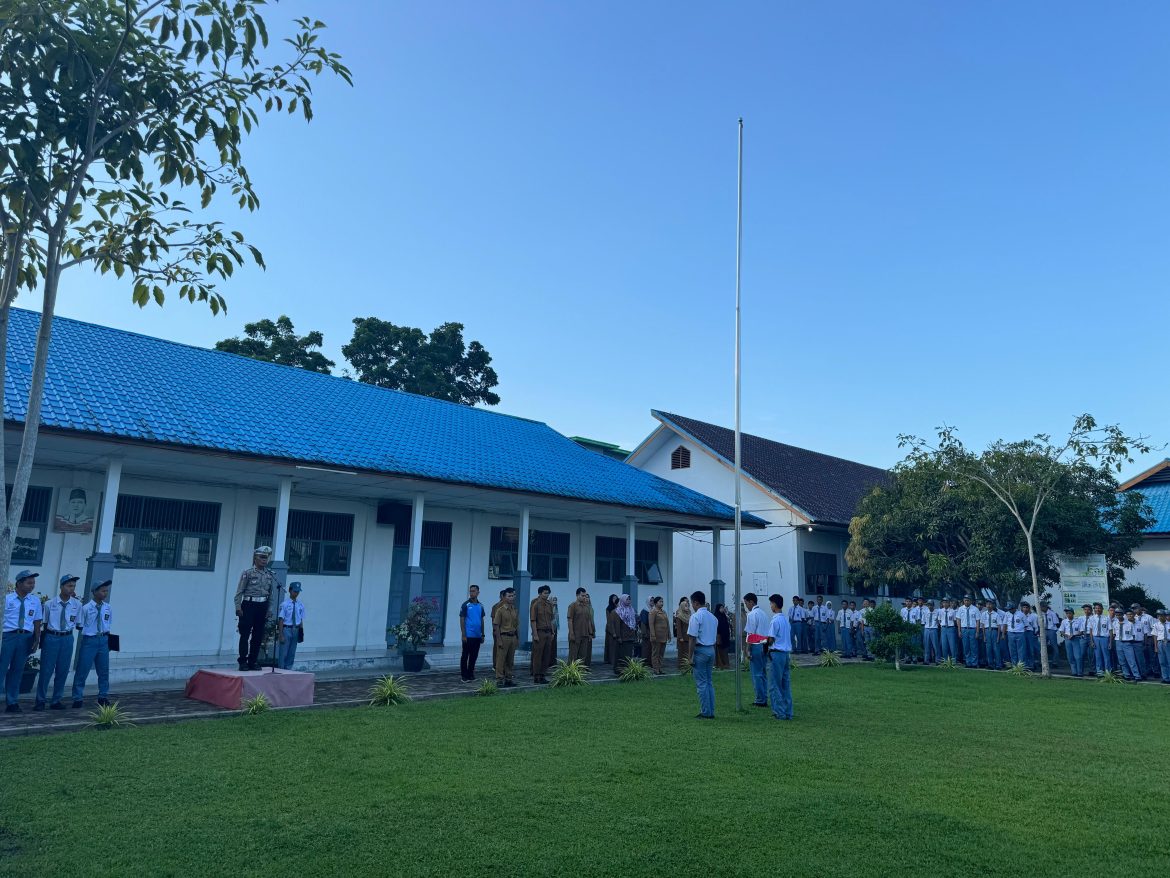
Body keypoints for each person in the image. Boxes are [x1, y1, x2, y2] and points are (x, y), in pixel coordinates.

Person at [35, 574, 81, 710]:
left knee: (63, 670)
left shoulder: (77, 604)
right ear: (61, 587)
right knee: (46, 670)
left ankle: (56, 700)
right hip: (52, 637)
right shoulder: (50, 604)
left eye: (73, 586)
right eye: (68, 586)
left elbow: (78, 623)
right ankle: (40, 700)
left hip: (67, 637)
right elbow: (44, 622)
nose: (71, 589)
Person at [2, 570, 43, 713]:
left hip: (25, 637)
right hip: (8, 636)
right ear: (19, 583)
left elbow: (37, 621)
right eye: (29, 583)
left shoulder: (35, 601)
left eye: (33, 583)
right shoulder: (7, 599)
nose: (32, 586)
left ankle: (12, 702)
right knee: (1, 669)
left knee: (17, 670)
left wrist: (37, 639)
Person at [234, 545, 277, 671]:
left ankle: (253, 661)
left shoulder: (269, 575)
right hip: (248, 605)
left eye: (266, 557)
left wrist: (269, 609)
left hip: (262, 606)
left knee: (258, 636)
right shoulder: (248, 573)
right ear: (255, 558)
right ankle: (243, 661)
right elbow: (239, 592)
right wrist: (238, 607)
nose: (264, 560)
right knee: (245, 634)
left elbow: (271, 595)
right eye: (262, 557)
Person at [72, 579, 113, 708]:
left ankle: (103, 695)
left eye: (106, 591)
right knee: (82, 669)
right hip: (90, 640)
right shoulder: (85, 608)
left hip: (103, 639)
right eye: (102, 590)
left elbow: (108, 624)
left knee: (103, 670)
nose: (104, 593)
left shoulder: (108, 608)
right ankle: (77, 697)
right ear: (94, 592)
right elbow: (80, 625)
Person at [687, 590, 717, 719]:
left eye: (692, 603)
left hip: (700, 650)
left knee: (701, 683)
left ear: (695, 602)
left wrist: (690, 656)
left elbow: (692, 638)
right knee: (709, 682)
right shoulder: (713, 617)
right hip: (711, 649)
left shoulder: (696, 617)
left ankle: (706, 711)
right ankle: (710, 710)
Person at [766, 594, 793, 721]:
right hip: (786, 654)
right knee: (785, 684)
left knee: (774, 685)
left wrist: (764, 643)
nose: (770, 606)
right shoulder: (785, 620)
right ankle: (788, 712)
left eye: (771, 603)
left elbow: (771, 639)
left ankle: (779, 712)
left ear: (775, 605)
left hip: (776, 653)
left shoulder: (775, 620)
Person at [743, 593, 768, 706]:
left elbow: (751, 633)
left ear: (751, 602)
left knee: (756, 673)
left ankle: (760, 699)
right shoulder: (764, 613)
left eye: (746, 603)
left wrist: (747, 650)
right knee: (762, 673)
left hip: (756, 644)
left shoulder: (752, 614)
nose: (746, 605)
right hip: (765, 643)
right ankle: (764, 697)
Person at [458, 584, 486, 682]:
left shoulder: (480, 606)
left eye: (474, 591)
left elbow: (482, 620)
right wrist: (464, 634)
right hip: (468, 635)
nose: (471, 593)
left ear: (478, 592)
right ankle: (464, 675)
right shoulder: (465, 605)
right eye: (470, 591)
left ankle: (470, 674)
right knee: (465, 655)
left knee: (474, 656)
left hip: (477, 636)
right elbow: (462, 619)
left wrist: (482, 634)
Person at [492, 587, 519, 687]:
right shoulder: (500, 610)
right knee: (501, 659)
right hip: (504, 637)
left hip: (512, 637)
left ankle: (508, 679)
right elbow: (496, 626)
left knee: (510, 660)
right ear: (504, 597)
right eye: (509, 596)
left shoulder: (514, 610)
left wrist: (517, 638)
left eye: (513, 596)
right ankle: (499, 679)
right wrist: (498, 640)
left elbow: (516, 625)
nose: (511, 598)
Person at [276, 582, 305, 670]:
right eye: (294, 591)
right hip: (286, 629)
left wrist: (301, 632)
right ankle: (281, 670)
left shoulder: (300, 605)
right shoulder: (284, 604)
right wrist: (281, 634)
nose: (296, 593)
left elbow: (300, 619)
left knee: (292, 653)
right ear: (290, 590)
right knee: (283, 652)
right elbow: (281, 619)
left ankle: (288, 670)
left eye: (298, 591)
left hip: (296, 629)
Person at [529, 585, 555, 684]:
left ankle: (543, 674)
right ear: (540, 594)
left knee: (546, 655)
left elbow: (551, 619)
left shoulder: (549, 604)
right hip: (539, 632)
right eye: (545, 593)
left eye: (548, 593)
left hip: (548, 632)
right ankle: (536, 675)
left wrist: (552, 632)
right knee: (538, 655)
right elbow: (533, 620)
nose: (547, 595)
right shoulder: (535, 604)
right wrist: (535, 634)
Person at [608, 594, 637, 675]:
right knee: (620, 655)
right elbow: (616, 625)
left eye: (629, 599)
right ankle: (619, 670)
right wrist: (618, 636)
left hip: (630, 636)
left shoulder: (631, 610)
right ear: (622, 600)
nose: (629, 601)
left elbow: (634, 623)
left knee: (628, 655)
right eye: (627, 599)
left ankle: (627, 669)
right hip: (622, 637)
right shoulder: (617, 611)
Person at [567, 588, 595, 665]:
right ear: (577, 595)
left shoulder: (586, 607)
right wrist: (571, 633)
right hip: (576, 635)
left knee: (582, 657)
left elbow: (588, 621)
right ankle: (571, 674)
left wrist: (590, 633)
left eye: (585, 596)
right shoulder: (572, 606)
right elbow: (570, 620)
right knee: (573, 656)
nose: (584, 597)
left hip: (585, 635)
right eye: (582, 595)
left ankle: (580, 674)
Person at [1058, 606, 1086, 678]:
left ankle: (1080, 672)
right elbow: (1061, 630)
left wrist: (1074, 634)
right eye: (1067, 613)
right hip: (1068, 639)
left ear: (1073, 613)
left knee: (1078, 656)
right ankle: (1074, 671)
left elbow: (1082, 631)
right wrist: (1065, 635)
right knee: (1070, 656)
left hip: (1076, 639)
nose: (1068, 615)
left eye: (1070, 613)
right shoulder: (1064, 621)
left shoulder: (1078, 621)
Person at [1114, 609, 1141, 681]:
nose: (1118, 616)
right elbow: (1114, 633)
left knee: (1131, 660)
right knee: (1121, 660)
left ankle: (1137, 676)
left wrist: (1130, 642)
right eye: (1117, 615)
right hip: (1118, 642)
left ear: (1123, 615)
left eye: (1120, 614)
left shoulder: (1129, 624)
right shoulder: (1115, 623)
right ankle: (1126, 675)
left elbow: (1134, 634)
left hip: (1127, 643)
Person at [648, 596, 671, 675]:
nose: (662, 603)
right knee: (655, 653)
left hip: (663, 636)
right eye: (660, 602)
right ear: (656, 603)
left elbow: (667, 624)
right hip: (656, 636)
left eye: (662, 601)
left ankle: (660, 668)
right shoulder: (653, 611)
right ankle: (655, 669)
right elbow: (651, 624)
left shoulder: (663, 612)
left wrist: (669, 634)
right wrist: (653, 635)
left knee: (661, 654)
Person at [1087, 602, 1111, 677]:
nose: (1098, 609)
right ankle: (1099, 672)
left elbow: (1110, 630)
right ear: (1094, 609)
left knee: (1106, 656)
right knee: (1097, 656)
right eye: (1096, 608)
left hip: (1104, 638)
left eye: (1099, 608)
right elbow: (1090, 630)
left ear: (1102, 609)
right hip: (1095, 638)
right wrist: (1091, 641)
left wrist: (1110, 642)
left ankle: (1108, 672)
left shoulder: (1106, 618)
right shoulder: (1091, 618)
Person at [957, 596, 979, 668]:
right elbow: (958, 620)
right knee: (966, 647)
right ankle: (968, 662)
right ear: (963, 601)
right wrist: (959, 631)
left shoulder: (975, 609)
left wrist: (977, 632)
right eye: (965, 600)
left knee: (973, 647)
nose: (966, 602)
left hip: (972, 629)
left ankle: (974, 663)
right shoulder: (960, 609)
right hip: (964, 629)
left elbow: (978, 621)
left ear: (971, 601)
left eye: (968, 600)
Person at [674, 596, 693, 669]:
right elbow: (678, 628)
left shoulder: (689, 615)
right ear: (681, 606)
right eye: (685, 606)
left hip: (689, 636)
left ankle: (687, 666)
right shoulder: (679, 615)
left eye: (688, 605)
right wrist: (680, 637)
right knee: (682, 652)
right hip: (682, 638)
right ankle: (681, 666)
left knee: (688, 652)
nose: (687, 607)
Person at [1154, 608, 1170, 684]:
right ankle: (1165, 678)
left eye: (1161, 616)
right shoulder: (1156, 625)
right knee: (1162, 662)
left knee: (1169, 661)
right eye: (1158, 616)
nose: (1160, 617)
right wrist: (1156, 647)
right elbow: (1155, 636)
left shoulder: (1169, 624)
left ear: (1165, 616)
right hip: (1160, 643)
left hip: (1168, 643)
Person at [713, 603, 732, 669]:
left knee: (725, 651)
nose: (722, 609)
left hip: (725, 636)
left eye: (723, 607)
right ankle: (719, 664)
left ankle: (726, 664)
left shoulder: (724, 616)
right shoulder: (716, 616)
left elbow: (726, 625)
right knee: (720, 650)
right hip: (719, 636)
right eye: (721, 608)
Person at [922, 600, 940, 665]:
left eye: (930, 605)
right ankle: (926, 660)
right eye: (928, 605)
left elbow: (939, 621)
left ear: (933, 605)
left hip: (934, 629)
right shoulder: (925, 611)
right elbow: (923, 621)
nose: (929, 606)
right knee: (926, 645)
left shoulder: (937, 611)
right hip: (927, 629)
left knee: (936, 645)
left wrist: (937, 625)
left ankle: (937, 660)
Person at [603, 594, 619, 666]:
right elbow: (609, 620)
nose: (615, 599)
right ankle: (609, 660)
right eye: (613, 598)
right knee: (610, 645)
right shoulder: (609, 608)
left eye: (616, 598)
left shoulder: (619, 608)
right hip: (610, 629)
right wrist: (612, 631)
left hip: (617, 628)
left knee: (615, 646)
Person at [548, 595, 561, 675]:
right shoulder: (549, 609)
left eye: (556, 600)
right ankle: (548, 661)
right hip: (549, 629)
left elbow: (556, 620)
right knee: (549, 645)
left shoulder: (556, 609)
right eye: (553, 600)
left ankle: (553, 661)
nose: (555, 602)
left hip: (555, 628)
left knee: (554, 646)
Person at [637, 598, 652, 662]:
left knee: (651, 647)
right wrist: (644, 633)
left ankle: (650, 661)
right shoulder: (645, 610)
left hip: (652, 631)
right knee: (646, 647)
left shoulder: (653, 610)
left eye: (653, 600)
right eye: (651, 600)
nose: (652, 602)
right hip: (647, 631)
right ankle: (645, 661)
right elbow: (643, 622)